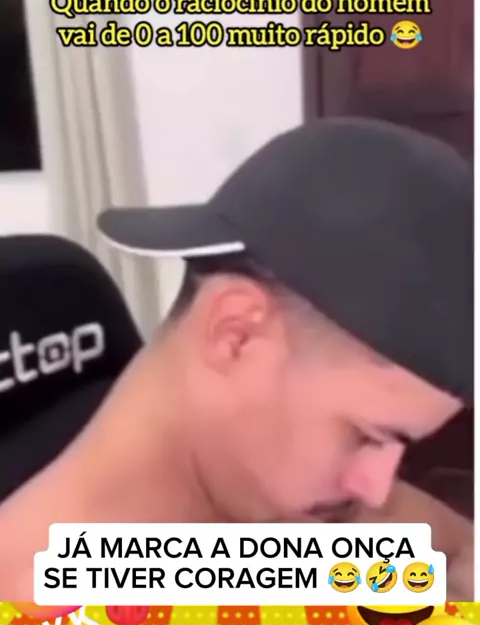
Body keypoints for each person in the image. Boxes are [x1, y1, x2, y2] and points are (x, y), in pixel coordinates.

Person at [0, 117, 473, 599]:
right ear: (237, 334)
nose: (376, 488)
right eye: (366, 438)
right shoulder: (51, 611)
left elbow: (456, 549)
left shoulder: (265, 494)